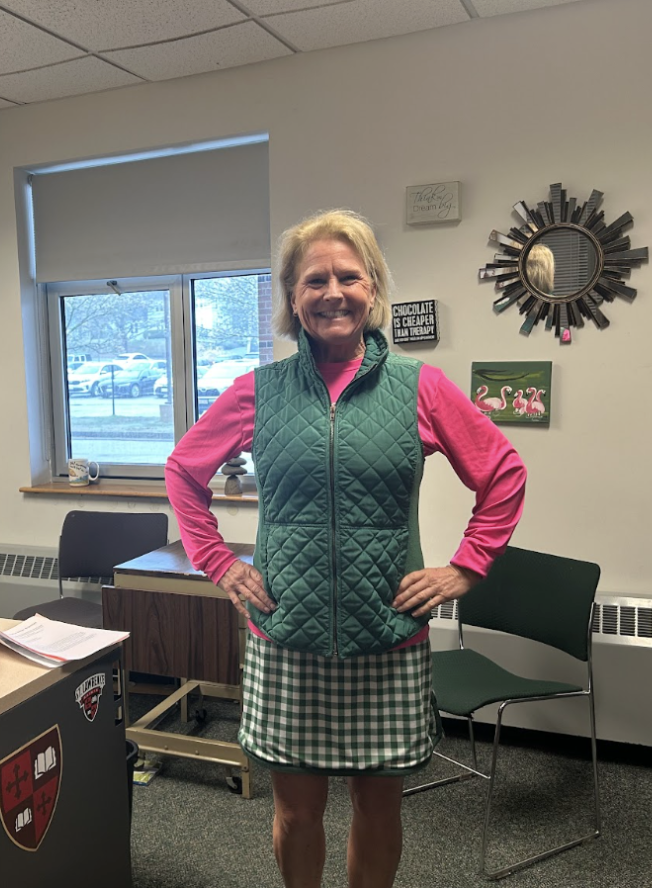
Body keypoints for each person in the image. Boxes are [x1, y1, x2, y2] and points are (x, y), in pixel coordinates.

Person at [165, 208, 527, 888]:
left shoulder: (420, 387)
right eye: (315, 280)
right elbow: (184, 471)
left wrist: (466, 567)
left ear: (373, 289)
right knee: (297, 813)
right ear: (292, 296)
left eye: (349, 277)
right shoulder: (258, 392)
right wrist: (219, 562)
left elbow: (502, 471)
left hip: (386, 636)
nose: (333, 292)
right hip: (287, 635)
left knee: (377, 810)